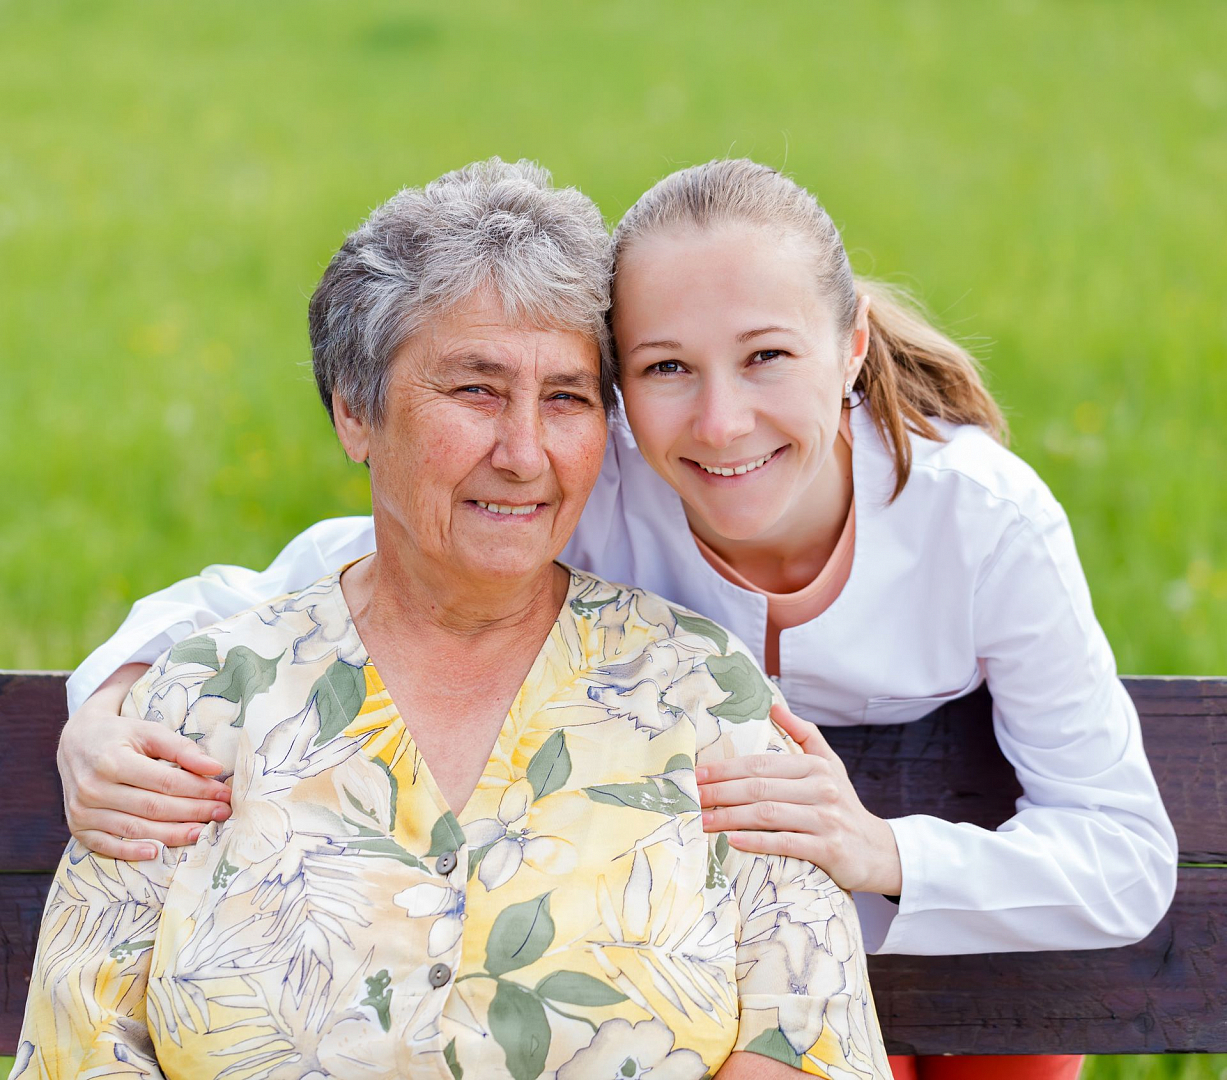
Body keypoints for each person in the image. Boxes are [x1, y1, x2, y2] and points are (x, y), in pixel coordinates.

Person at [58, 160, 1178, 1079]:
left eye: (769, 357)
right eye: (664, 369)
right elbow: (318, 579)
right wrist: (105, 703)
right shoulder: (601, 480)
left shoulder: (979, 522)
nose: (722, 420)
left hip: (946, 925)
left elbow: (1122, 851)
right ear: (627, 395)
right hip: (732, 918)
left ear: (851, 352)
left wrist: (879, 849)